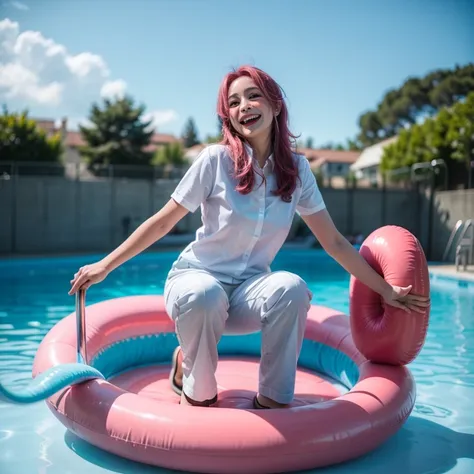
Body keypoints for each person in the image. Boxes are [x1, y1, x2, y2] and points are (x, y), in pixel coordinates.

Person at [68, 65, 430, 409]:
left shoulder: (299, 172)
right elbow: (163, 222)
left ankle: (272, 400)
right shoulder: (215, 161)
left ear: (275, 103)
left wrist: (385, 290)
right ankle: (195, 390)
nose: (243, 107)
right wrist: (104, 266)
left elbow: (333, 242)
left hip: (247, 294)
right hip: (196, 283)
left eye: (253, 96)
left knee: (291, 287)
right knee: (205, 295)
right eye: (234, 103)